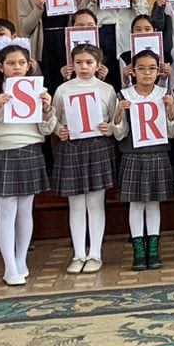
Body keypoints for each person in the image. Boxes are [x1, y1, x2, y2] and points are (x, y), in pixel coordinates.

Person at [0, 45, 56, 286]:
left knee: (25, 210)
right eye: (11, 63)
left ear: (29, 65)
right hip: (2, 151)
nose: (17, 67)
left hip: (30, 149)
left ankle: (21, 260)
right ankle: (9, 266)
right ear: (1, 67)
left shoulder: (39, 90)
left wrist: (47, 109)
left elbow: (47, 129)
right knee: (6, 211)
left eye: (21, 62)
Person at [52, 43, 118, 274]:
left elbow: (116, 119)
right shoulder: (63, 89)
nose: (84, 67)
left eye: (89, 62)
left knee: (95, 203)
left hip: (97, 147)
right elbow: (54, 117)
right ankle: (79, 253)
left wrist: (109, 128)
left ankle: (95, 253)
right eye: (79, 62)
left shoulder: (107, 89)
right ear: (72, 64)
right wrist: (59, 130)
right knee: (76, 204)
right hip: (72, 147)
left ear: (98, 65)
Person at [114, 48, 174, 271]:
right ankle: (138, 250)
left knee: (153, 204)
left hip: (158, 153)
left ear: (158, 71)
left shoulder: (165, 94)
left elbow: (173, 131)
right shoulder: (124, 95)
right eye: (141, 69)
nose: (147, 73)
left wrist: (171, 109)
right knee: (135, 204)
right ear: (133, 72)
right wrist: (119, 112)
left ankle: (153, 249)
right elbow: (119, 133)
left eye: (152, 68)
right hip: (133, 154)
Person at [17, 0, 70, 95]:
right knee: (47, 86)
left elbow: (73, 21)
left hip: (64, 42)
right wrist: (38, 8)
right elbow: (25, 28)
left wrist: (76, 4)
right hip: (43, 43)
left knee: (65, 85)